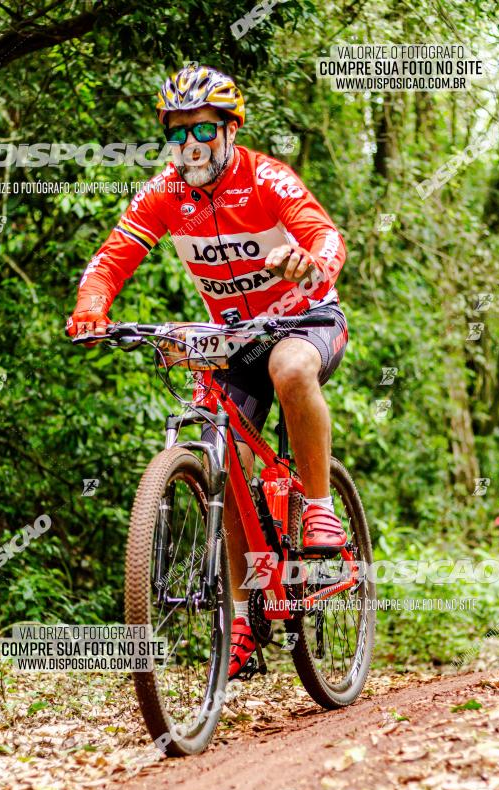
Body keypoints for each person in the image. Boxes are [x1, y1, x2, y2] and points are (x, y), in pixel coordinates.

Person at [66, 64, 349, 678]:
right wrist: (93, 305)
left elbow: (327, 237)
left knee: (291, 368)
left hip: (304, 320)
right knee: (223, 462)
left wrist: (307, 262)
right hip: (231, 338)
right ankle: (246, 616)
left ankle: (321, 503)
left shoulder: (267, 178)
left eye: (200, 131)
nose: (188, 146)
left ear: (228, 129)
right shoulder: (164, 192)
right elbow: (114, 255)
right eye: (175, 135)